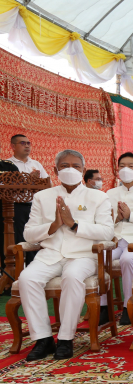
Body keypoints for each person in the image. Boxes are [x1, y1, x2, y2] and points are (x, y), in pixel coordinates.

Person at [19, 149, 114, 361]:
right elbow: (28, 233)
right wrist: (53, 226)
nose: (70, 170)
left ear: (83, 170)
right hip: (50, 254)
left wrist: (74, 224)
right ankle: (43, 339)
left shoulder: (98, 196)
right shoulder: (42, 196)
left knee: (72, 277)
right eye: (64, 166)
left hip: (83, 255)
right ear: (55, 170)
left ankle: (65, 338)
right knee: (27, 278)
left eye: (75, 166)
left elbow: (107, 232)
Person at [100, 152, 133, 326]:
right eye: (122, 166)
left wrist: (131, 216)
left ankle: (128, 307)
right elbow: (103, 219)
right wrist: (115, 219)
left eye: (131, 166)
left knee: (127, 259)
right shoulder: (110, 193)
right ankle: (103, 307)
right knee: (97, 258)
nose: (126, 170)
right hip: (116, 239)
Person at [6, 134, 51, 265]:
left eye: (28, 143)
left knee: (35, 238)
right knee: (18, 239)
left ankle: (34, 267)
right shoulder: (7, 165)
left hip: (34, 207)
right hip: (14, 208)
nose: (27, 146)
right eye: (23, 143)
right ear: (13, 146)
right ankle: (15, 270)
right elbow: (5, 187)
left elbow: (48, 185)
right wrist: (27, 180)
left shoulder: (36, 164)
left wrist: (37, 181)